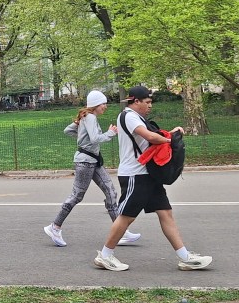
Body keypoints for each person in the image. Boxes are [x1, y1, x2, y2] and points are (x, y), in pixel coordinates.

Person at [93, 85, 213, 273]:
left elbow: (153, 137)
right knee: (126, 217)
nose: (150, 106)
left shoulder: (138, 117)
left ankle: (185, 257)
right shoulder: (128, 116)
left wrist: (170, 134)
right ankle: (105, 256)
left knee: (165, 213)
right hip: (135, 174)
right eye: (147, 102)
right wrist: (170, 139)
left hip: (147, 174)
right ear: (136, 101)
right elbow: (149, 136)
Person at [44, 91, 141, 248]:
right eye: (103, 103)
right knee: (77, 196)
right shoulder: (90, 117)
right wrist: (110, 133)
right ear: (96, 104)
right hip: (85, 162)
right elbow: (96, 138)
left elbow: (68, 131)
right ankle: (55, 227)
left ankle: (121, 232)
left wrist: (81, 132)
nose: (105, 106)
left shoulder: (87, 117)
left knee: (111, 192)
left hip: (93, 161)